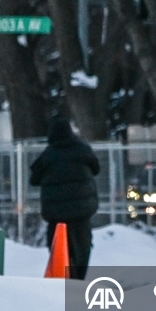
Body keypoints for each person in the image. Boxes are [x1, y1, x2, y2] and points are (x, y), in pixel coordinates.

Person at [29, 116, 100, 280]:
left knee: (58, 249)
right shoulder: (83, 150)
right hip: (82, 212)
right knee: (82, 248)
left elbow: (34, 178)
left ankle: (62, 278)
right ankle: (78, 279)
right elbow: (96, 168)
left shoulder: (48, 155)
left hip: (57, 215)